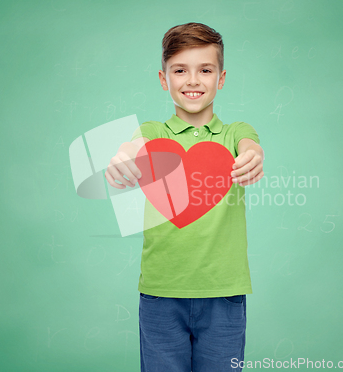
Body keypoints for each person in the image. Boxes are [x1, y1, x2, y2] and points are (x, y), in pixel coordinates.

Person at [105, 22, 264, 372]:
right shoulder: (153, 132)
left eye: (205, 70)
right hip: (161, 294)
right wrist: (124, 156)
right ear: (164, 80)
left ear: (221, 79)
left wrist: (252, 155)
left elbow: (249, 144)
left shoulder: (235, 133)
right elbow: (135, 145)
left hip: (223, 294)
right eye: (180, 70)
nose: (193, 81)